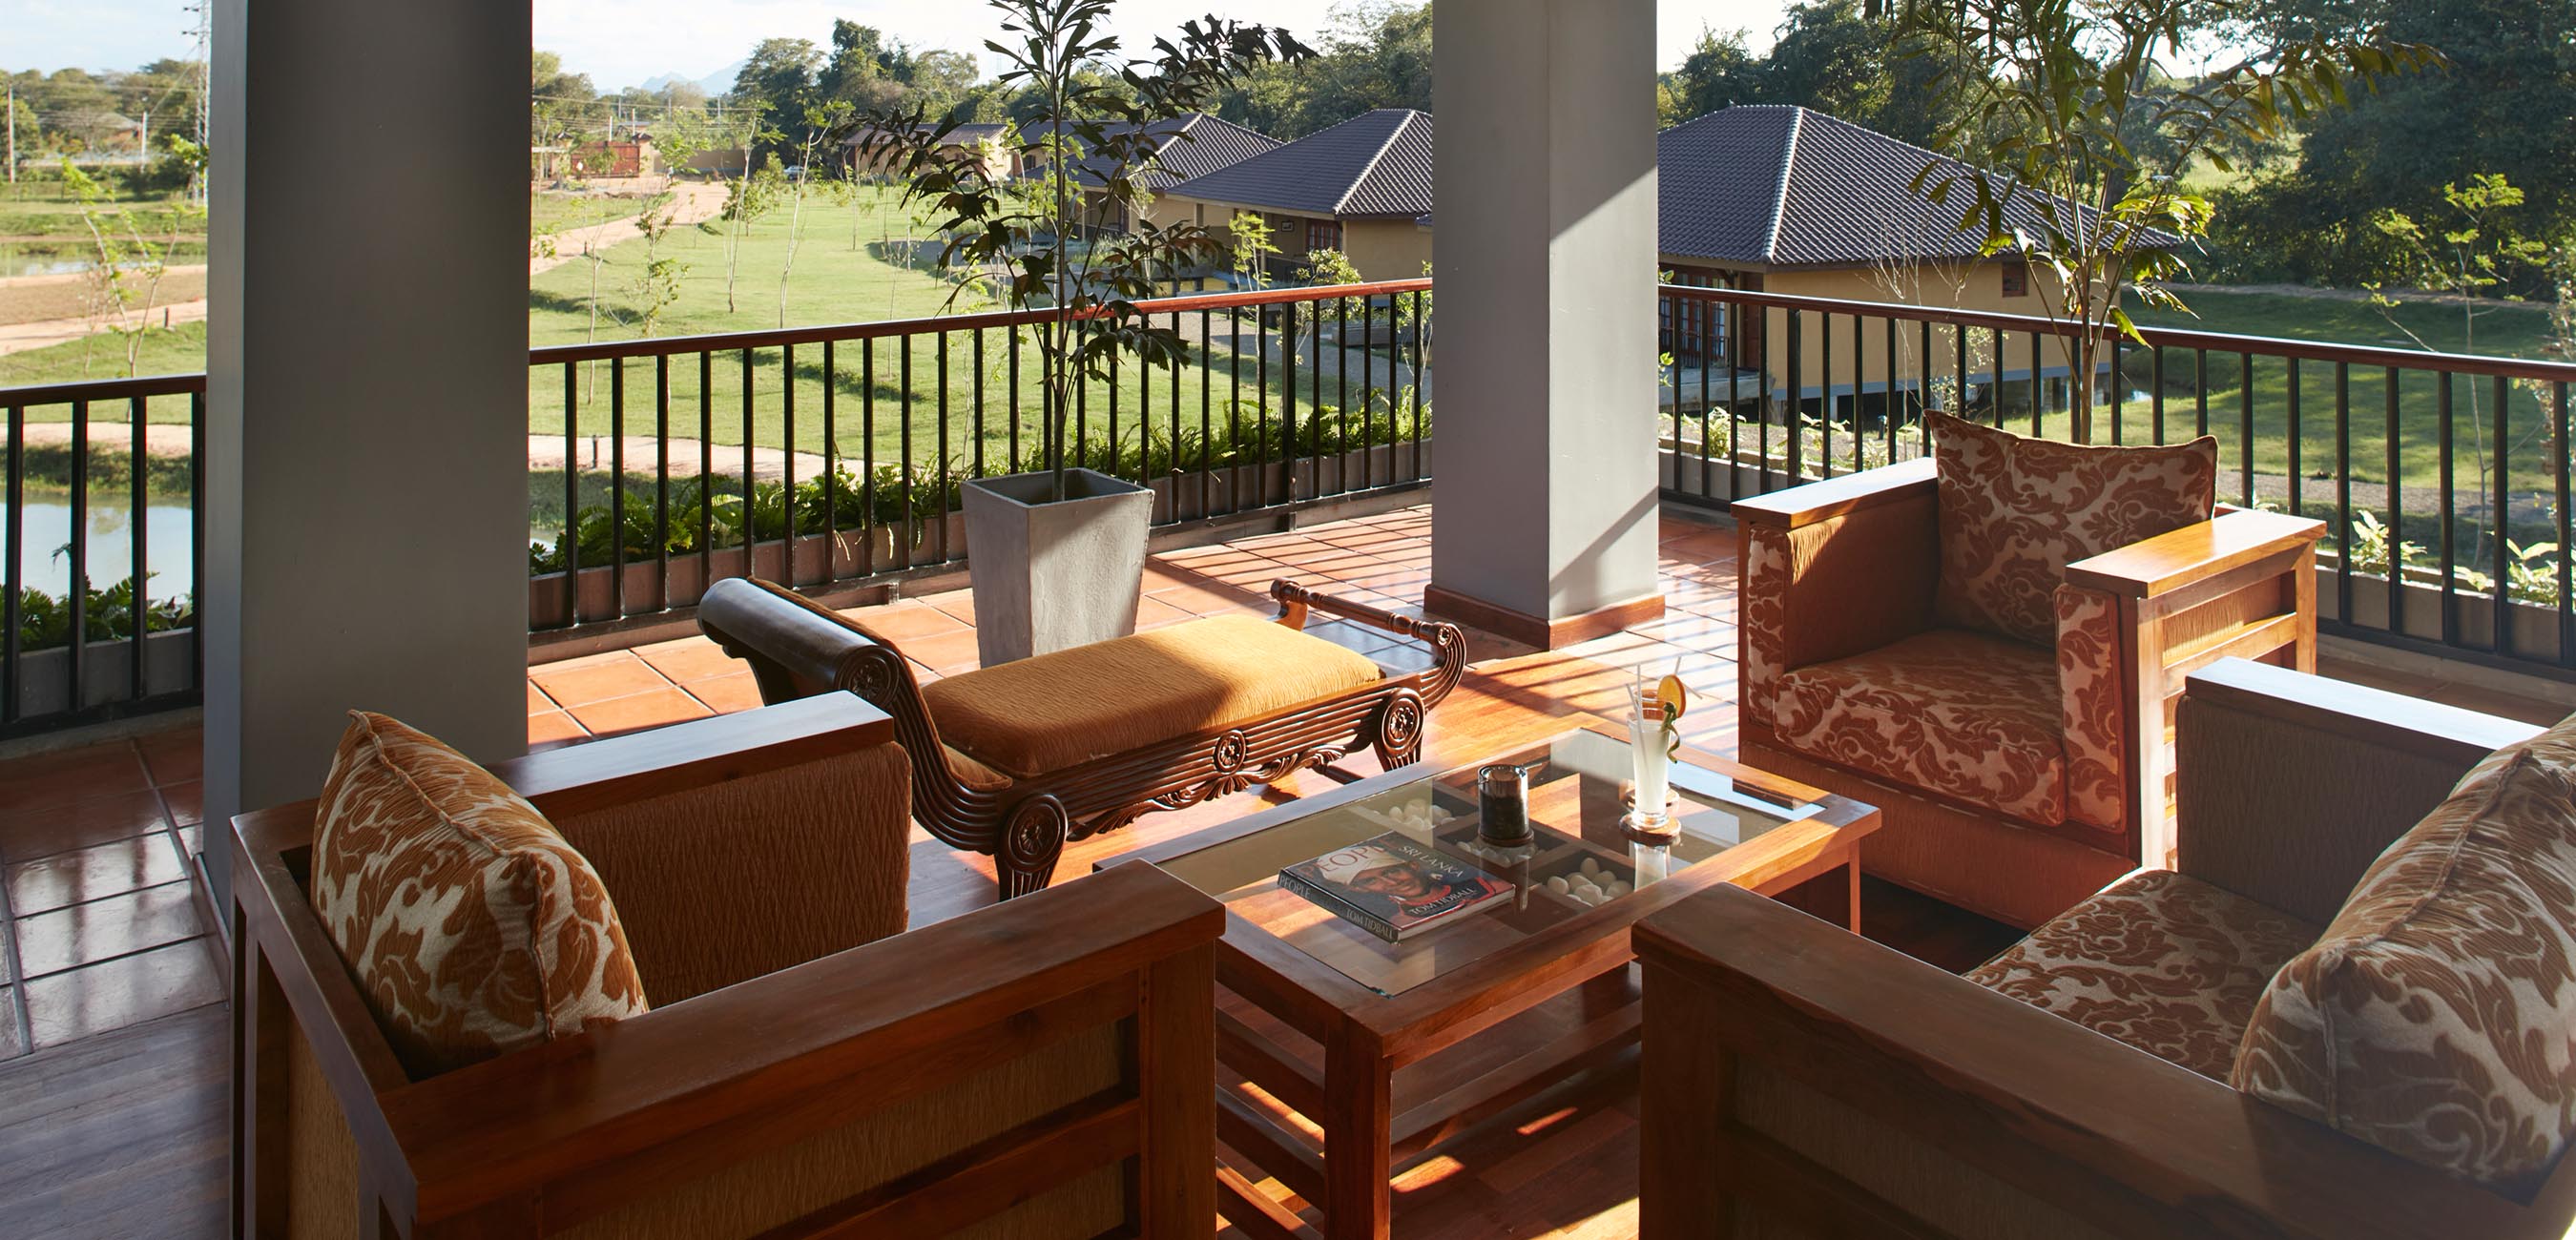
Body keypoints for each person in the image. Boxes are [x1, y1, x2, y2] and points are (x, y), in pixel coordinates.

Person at [1312, 843, 1506, 920]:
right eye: (1371, 881)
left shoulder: (1491, 887)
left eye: (1392, 871)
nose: (1391, 882)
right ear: (1359, 889)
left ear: (1413, 865)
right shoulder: (1400, 922)